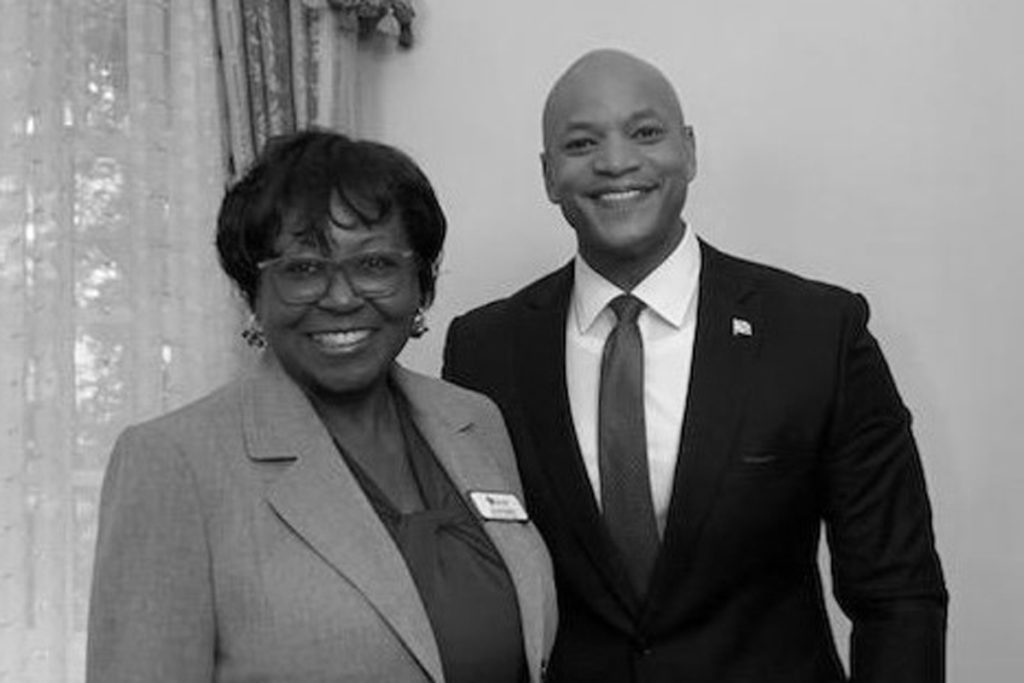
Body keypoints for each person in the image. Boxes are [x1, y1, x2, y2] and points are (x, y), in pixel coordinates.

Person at [442, 49, 947, 682]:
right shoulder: (485, 350)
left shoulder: (817, 332)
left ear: (690, 151)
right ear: (549, 176)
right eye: (581, 142)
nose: (616, 161)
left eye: (645, 133)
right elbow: (474, 582)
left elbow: (897, 593)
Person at [86, 130, 557, 683]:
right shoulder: (173, 462)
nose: (340, 297)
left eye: (376, 264)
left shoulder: (475, 421)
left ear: (420, 284)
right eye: (303, 269)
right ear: (252, 293)